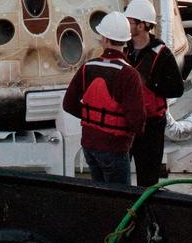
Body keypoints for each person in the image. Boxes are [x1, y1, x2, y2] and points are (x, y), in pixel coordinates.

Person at [62, 11, 145, 186]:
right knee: (120, 199)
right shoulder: (129, 74)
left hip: (90, 146)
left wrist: (92, 119)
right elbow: (136, 121)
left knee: (100, 195)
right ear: (126, 40)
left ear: (104, 39)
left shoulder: (87, 67)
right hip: (114, 148)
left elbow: (68, 104)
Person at [123, 0, 184, 186]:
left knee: (147, 178)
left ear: (141, 26)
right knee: (120, 175)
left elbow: (177, 89)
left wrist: (151, 84)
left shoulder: (162, 54)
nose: (126, 25)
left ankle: (144, 213)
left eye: (129, 21)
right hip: (127, 122)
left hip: (151, 127)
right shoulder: (125, 49)